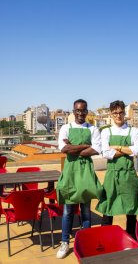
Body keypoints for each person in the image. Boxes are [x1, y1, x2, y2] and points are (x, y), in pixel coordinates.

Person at [55, 99, 103, 259]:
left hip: (85, 172)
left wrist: (74, 147)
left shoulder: (93, 129)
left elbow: (96, 149)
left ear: (87, 111)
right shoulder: (65, 127)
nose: (81, 113)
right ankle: (64, 242)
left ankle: (86, 241)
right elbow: (64, 148)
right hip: (70, 172)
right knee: (68, 210)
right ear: (73, 111)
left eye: (83, 110)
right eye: (78, 110)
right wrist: (85, 145)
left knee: (86, 210)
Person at [96, 100, 138, 238]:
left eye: (121, 112)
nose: (118, 115)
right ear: (111, 114)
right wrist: (128, 150)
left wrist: (117, 147)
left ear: (124, 113)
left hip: (129, 175)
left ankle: (131, 238)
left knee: (131, 210)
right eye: (115, 113)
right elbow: (105, 153)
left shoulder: (133, 130)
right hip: (112, 175)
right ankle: (105, 238)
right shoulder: (106, 131)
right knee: (108, 208)